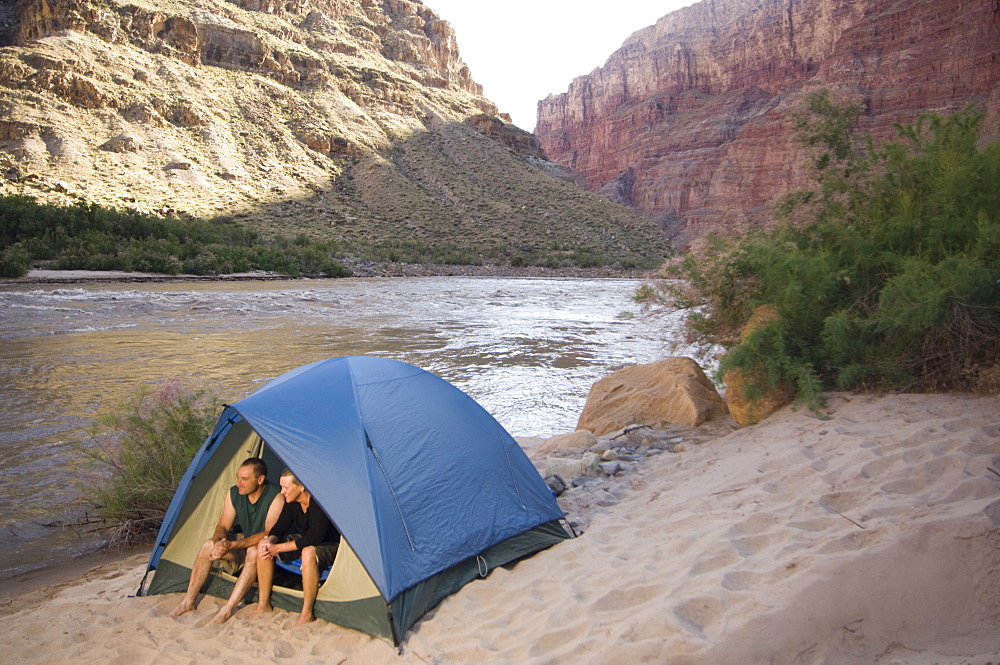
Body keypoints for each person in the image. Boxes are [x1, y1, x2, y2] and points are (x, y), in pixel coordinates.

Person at [169, 457, 284, 623]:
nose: (239, 483)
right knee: (208, 545)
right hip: (242, 543)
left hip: (264, 548)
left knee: (253, 551)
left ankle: (228, 608)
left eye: (244, 479)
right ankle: (188, 601)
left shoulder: (276, 496)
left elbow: (268, 532)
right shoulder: (234, 493)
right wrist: (220, 542)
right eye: (238, 477)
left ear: (260, 480)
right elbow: (223, 525)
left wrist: (235, 544)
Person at [253, 468, 340, 626]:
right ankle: (263, 603)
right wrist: (270, 541)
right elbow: (279, 527)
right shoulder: (292, 502)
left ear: (301, 487)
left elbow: (315, 537)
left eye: (286, 488)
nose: (282, 492)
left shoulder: (318, 503)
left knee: (308, 552)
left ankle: (307, 613)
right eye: (281, 487)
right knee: (264, 546)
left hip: (330, 544)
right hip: (306, 539)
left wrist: (278, 549)